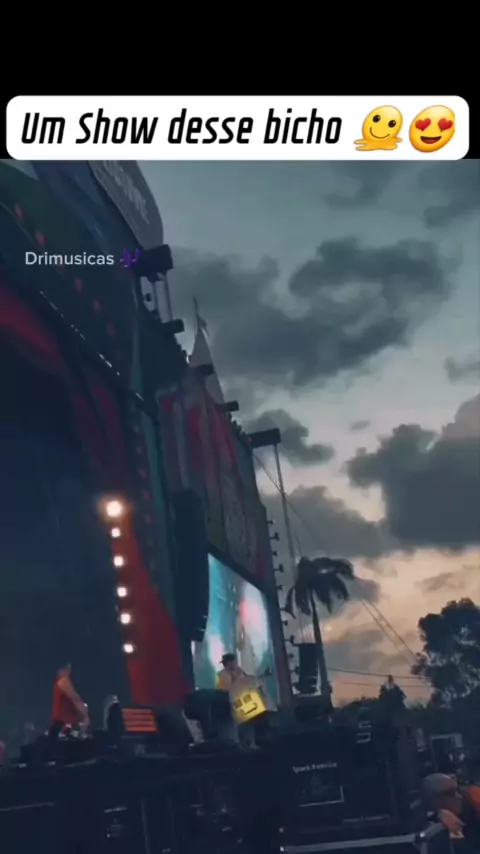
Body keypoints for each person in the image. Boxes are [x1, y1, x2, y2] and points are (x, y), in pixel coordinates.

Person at [421, 773, 480, 851]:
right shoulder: (431, 833)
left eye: (457, 790)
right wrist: (454, 829)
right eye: (451, 793)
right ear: (433, 801)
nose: (459, 796)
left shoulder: (472, 807)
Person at [50, 663, 89, 739]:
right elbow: (75, 698)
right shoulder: (62, 681)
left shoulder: (59, 682)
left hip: (62, 726)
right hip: (63, 726)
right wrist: (85, 715)